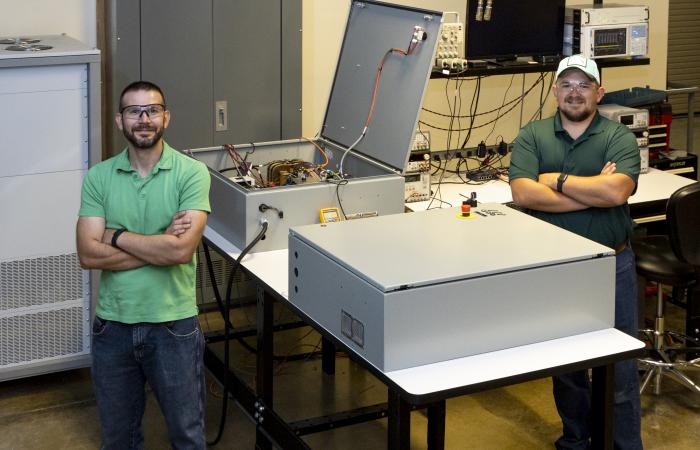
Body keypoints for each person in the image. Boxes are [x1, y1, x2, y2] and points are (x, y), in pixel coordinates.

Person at [509, 55, 643, 450]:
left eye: (584, 85)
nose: (574, 92)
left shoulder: (618, 137)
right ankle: (577, 440)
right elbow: (522, 194)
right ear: (555, 91)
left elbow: (617, 192)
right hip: (556, 268)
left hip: (611, 265)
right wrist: (590, 195)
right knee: (566, 367)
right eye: (566, 84)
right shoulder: (533, 135)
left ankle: (623, 446)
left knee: (619, 368)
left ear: (599, 92)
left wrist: (558, 181)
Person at [76, 81, 211, 449]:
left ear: (166, 116)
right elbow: (87, 255)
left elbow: (180, 253)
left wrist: (116, 236)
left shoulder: (191, 173)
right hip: (113, 327)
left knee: (187, 435)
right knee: (119, 438)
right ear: (120, 121)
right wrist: (159, 241)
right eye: (134, 111)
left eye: (152, 110)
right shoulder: (99, 177)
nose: (144, 119)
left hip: (173, 326)